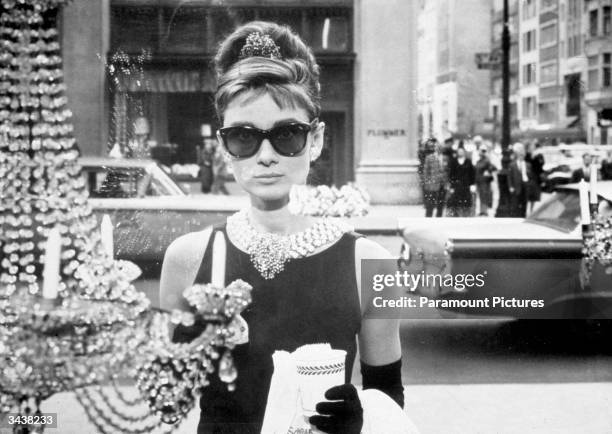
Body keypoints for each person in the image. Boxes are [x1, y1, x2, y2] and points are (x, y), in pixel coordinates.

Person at [159, 22, 404, 434]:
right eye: (243, 137)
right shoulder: (188, 257)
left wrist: (360, 416)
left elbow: (389, 398)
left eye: (287, 134)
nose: (266, 156)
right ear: (224, 148)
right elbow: (168, 403)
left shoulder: (372, 265)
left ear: (316, 140)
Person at [422, 138, 448, 217]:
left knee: (441, 202)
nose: (439, 148)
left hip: (443, 184)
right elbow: (426, 171)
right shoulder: (429, 157)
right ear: (435, 148)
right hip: (432, 184)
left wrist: (447, 182)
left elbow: (447, 171)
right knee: (430, 203)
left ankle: (438, 217)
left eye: (441, 147)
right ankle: (428, 217)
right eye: (438, 147)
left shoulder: (446, 158)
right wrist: (427, 183)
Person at [447, 147, 476, 217]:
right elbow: (451, 174)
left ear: (464, 152)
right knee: (456, 202)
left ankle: (466, 215)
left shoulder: (468, 161)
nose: (460, 153)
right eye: (459, 151)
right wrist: (451, 185)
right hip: (457, 185)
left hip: (466, 185)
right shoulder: (453, 162)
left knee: (466, 201)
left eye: (462, 151)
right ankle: (457, 215)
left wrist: (472, 184)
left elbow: (472, 173)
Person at [507, 142, 532, 218]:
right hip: (516, 185)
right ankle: (516, 215)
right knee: (516, 201)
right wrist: (510, 186)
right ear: (517, 156)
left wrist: (529, 183)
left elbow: (530, 175)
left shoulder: (527, 165)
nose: (521, 157)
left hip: (525, 184)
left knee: (524, 201)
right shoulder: (512, 164)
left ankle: (523, 215)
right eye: (520, 155)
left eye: (522, 155)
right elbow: (509, 176)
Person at [474, 144, 497, 216]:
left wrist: (488, 171)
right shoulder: (479, 161)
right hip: (479, 181)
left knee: (484, 195)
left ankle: (485, 211)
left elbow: (493, 167)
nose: (480, 153)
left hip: (484, 181)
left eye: (481, 151)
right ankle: (482, 210)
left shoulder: (487, 160)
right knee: (481, 195)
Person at [525, 142, 545, 214]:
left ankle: (531, 210)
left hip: (536, 177)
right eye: (530, 147)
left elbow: (541, 164)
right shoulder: (527, 155)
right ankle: (527, 210)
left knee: (534, 195)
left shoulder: (539, 155)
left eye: (533, 147)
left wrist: (537, 157)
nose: (532, 148)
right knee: (528, 194)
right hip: (529, 176)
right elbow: (527, 163)